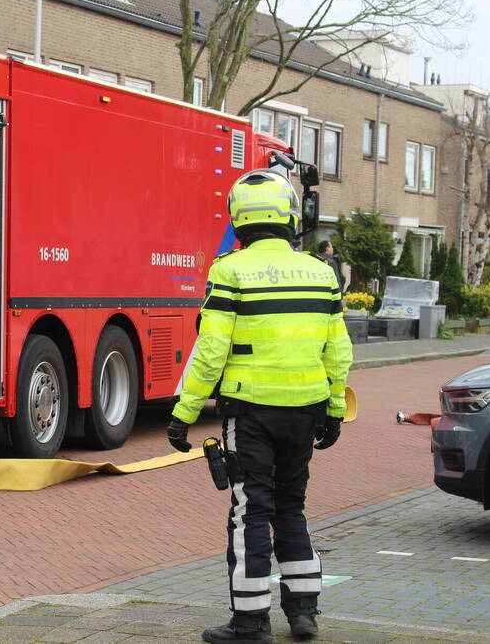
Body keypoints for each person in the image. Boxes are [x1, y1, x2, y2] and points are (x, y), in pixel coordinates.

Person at [166, 170, 353, 643]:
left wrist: (184, 413)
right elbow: (338, 349)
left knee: (250, 513)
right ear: (290, 217)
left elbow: (211, 351)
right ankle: (304, 614)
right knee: (292, 507)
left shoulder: (229, 270)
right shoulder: (320, 272)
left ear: (239, 220)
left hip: (250, 413)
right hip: (305, 411)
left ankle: (249, 622)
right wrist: (333, 409)